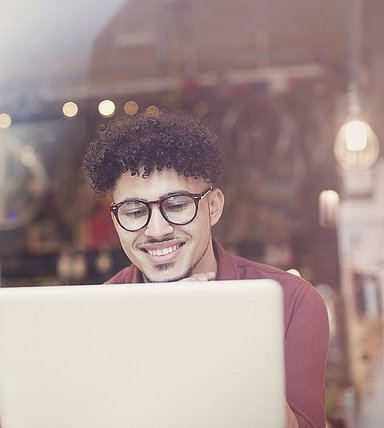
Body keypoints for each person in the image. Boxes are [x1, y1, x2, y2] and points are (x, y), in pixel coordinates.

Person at [82, 108, 330, 428]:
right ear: (115, 220)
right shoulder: (94, 317)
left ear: (212, 208)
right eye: (133, 211)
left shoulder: (294, 301)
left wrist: (217, 332)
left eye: (177, 205)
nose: (157, 229)